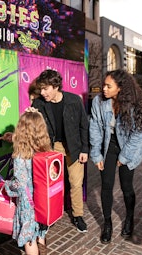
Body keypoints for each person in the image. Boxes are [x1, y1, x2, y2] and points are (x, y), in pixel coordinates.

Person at [89, 69, 142, 244]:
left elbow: (138, 135)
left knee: (126, 187)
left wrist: (124, 157)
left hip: (129, 148)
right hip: (108, 145)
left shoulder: (135, 103)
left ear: (120, 88)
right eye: (104, 85)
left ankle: (129, 218)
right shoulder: (98, 102)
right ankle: (107, 224)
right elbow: (95, 127)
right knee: (106, 185)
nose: (104, 89)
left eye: (109, 86)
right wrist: (96, 154)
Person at [32, 69, 89, 233]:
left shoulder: (73, 101)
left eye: (45, 89)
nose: (42, 93)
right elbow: (31, 123)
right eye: (40, 89)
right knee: (49, 184)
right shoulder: (39, 103)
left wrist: (85, 149)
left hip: (74, 146)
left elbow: (84, 126)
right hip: (52, 146)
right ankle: (48, 216)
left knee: (76, 183)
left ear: (56, 86)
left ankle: (77, 216)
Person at [3, 107, 52, 255]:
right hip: (42, 202)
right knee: (40, 233)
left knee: (29, 239)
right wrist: (35, 115)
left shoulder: (20, 156)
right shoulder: (45, 151)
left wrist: (6, 185)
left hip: (28, 206)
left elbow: (20, 185)